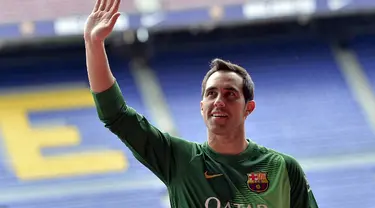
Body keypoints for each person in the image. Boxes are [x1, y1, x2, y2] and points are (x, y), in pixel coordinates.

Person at [84, 0, 319, 207]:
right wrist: (93, 44)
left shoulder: (283, 168)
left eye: (230, 94)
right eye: (211, 93)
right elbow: (115, 115)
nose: (219, 101)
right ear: (201, 106)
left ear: (249, 108)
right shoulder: (177, 160)